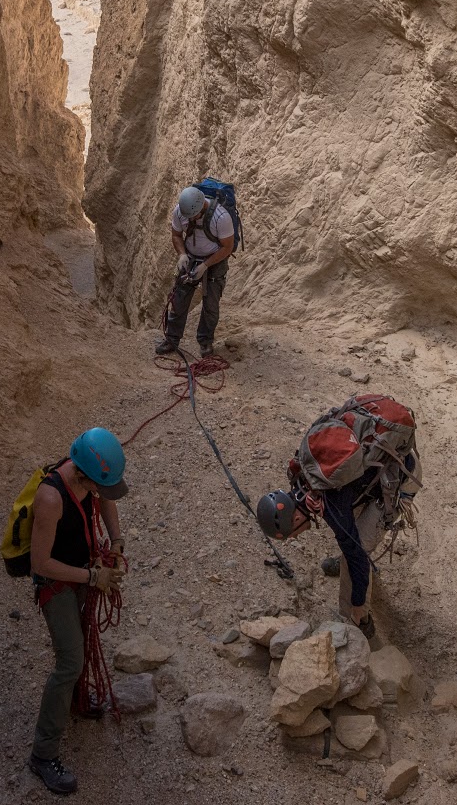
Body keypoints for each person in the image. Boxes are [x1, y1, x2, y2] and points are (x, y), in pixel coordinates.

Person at [254, 397, 419, 632]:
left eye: (292, 533)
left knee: (356, 552)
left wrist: (357, 603)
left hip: (400, 478)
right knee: (351, 539)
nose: (296, 536)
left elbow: (356, 554)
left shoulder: (331, 506)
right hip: (384, 460)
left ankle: (357, 624)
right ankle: (355, 578)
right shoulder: (302, 474)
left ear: (296, 518)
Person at [26, 428, 129, 796]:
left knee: (81, 645)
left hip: (82, 572)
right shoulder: (50, 498)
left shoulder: (87, 476)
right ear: (84, 475)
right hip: (57, 584)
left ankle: (75, 702)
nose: (102, 491)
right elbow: (40, 563)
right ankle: (43, 754)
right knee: (70, 662)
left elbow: (105, 497)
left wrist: (116, 540)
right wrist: (93, 577)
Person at [155, 184, 235, 358]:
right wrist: (182, 255)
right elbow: (176, 235)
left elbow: (227, 247)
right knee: (179, 299)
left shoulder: (221, 217)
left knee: (211, 304)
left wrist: (205, 265)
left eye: (193, 216)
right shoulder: (180, 211)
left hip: (215, 259)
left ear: (202, 207)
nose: (190, 219)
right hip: (191, 256)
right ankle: (172, 339)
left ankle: (205, 342)